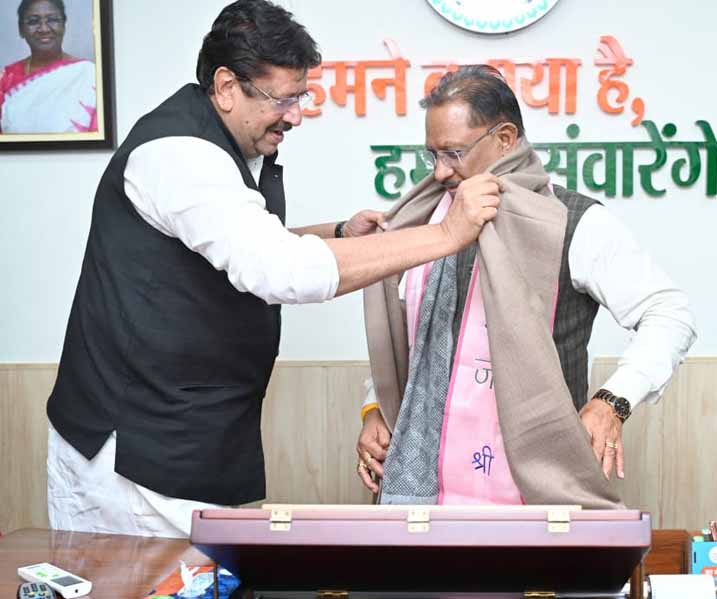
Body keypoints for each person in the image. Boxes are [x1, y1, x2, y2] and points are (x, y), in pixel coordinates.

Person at [45, 0, 501, 538]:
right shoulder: (179, 157)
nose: (295, 115)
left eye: (300, 97)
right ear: (226, 86)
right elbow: (278, 270)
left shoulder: (228, 146)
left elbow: (230, 244)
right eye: (282, 99)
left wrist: (336, 233)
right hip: (134, 459)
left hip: (194, 442)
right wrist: (447, 235)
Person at [358, 65, 697, 507]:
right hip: (420, 504)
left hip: (531, 500)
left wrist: (612, 402)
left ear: (505, 139)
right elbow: (416, 337)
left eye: (454, 153)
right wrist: (377, 410)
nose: (440, 173)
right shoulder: (422, 221)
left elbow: (670, 315)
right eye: (432, 155)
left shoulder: (572, 222)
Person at [0, 0, 96, 133]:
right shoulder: (6, 79)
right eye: (33, 21)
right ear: (21, 30)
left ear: (63, 26)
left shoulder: (89, 75)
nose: (44, 29)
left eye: (52, 20)